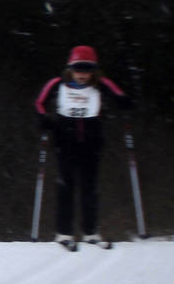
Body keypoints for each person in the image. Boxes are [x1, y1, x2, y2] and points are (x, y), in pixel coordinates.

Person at [34, 45, 132, 249]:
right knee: (65, 186)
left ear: (94, 70)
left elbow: (119, 95)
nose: (82, 74)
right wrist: (44, 118)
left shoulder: (101, 84)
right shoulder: (57, 83)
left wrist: (124, 102)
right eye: (78, 69)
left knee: (90, 187)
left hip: (92, 142)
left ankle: (90, 232)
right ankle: (63, 233)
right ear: (71, 68)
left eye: (87, 69)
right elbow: (39, 103)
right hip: (64, 140)